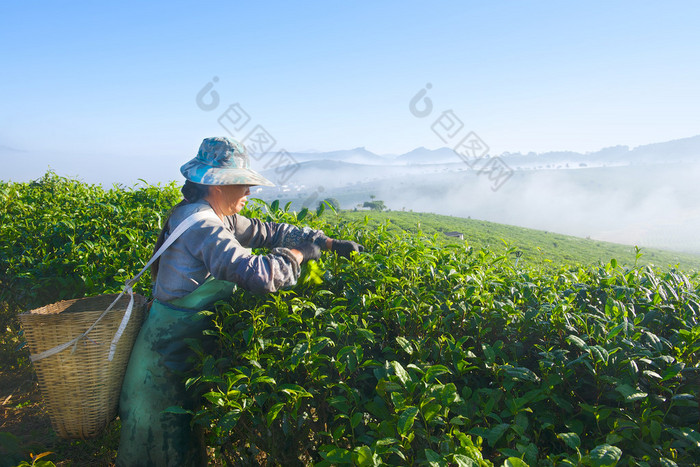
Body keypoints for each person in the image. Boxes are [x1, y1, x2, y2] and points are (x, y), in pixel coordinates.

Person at [116, 137, 363, 466]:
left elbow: (267, 231)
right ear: (218, 186)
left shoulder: (210, 214)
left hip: (177, 356)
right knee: (162, 444)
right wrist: (298, 255)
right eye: (242, 184)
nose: (248, 192)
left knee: (181, 440)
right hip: (161, 368)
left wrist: (327, 242)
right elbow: (257, 274)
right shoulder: (204, 227)